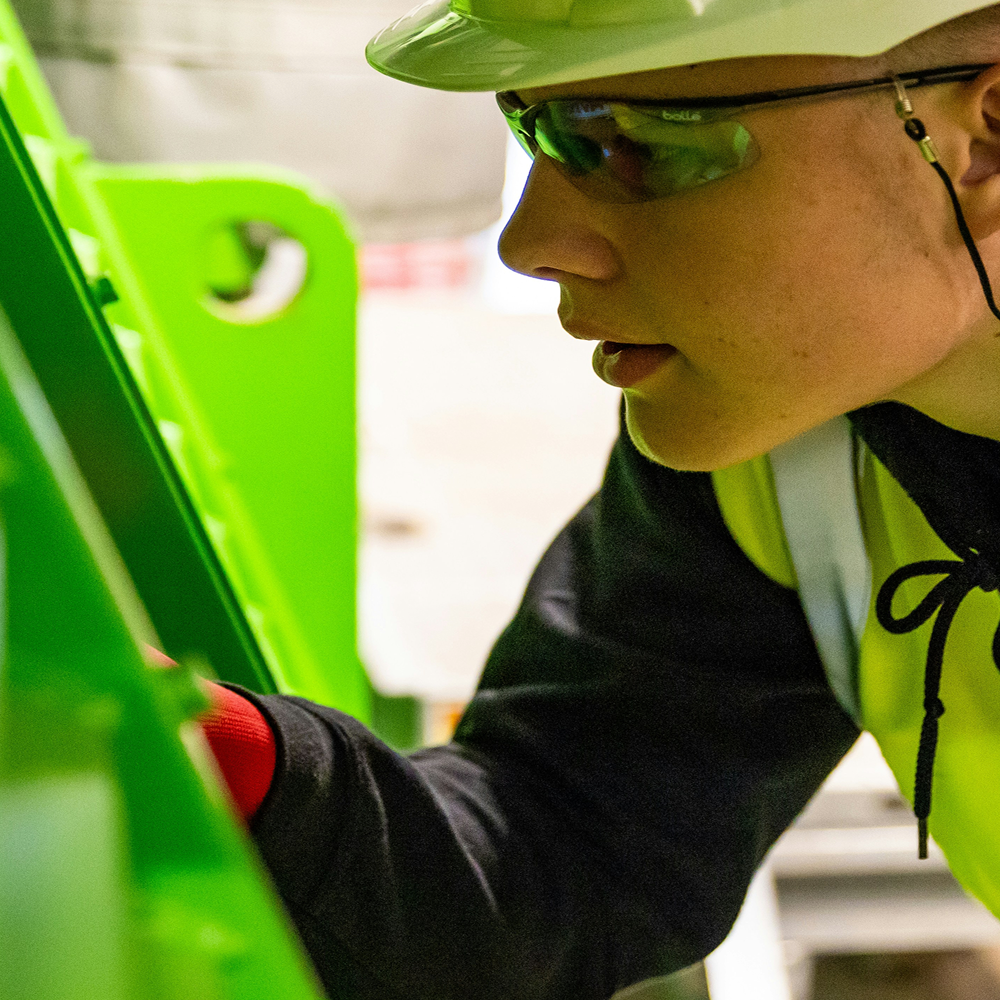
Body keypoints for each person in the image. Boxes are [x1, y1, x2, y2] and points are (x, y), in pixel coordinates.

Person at [198, 2, 1000, 997]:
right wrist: (213, 755)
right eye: (533, 131)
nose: (529, 243)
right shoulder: (787, 454)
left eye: (632, 147)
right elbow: (562, 846)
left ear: (984, 137)